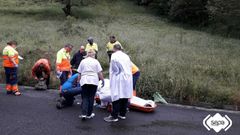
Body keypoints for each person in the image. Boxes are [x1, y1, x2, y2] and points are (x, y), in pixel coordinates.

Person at [104, 44, 133, 122]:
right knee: (125, 95)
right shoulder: (126, 56)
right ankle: (122, 114)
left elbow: (115, 68)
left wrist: (116, 73)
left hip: (119, 77)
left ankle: (114, 116)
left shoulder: (114, 55)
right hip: (128, 78)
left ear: (114, 49)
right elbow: (130, 66)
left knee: (116, 95)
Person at [77, 49, 104, 120]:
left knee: (85, 97)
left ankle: (83, 114)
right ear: (93, 55)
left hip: (84, 80)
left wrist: (78, 80)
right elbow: (99, 73)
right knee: (91, 97)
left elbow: (79, 73)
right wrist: (102, 80)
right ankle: (89, 114)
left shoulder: (83, 61)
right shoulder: (96, 61)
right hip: (93, 81)